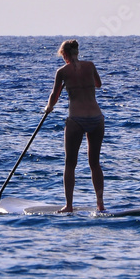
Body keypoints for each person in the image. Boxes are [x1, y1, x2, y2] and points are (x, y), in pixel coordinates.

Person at [44, 39, 105, 212]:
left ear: (65, 55)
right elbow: (98, 85)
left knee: (70, 164)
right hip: (96, 118)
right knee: (95, 164)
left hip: (76, 119)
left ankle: (69, 205)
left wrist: (49, 107)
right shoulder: (90, 65)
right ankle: (100, 204)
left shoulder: (62, 72)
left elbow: (54, 96)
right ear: (77, 52)